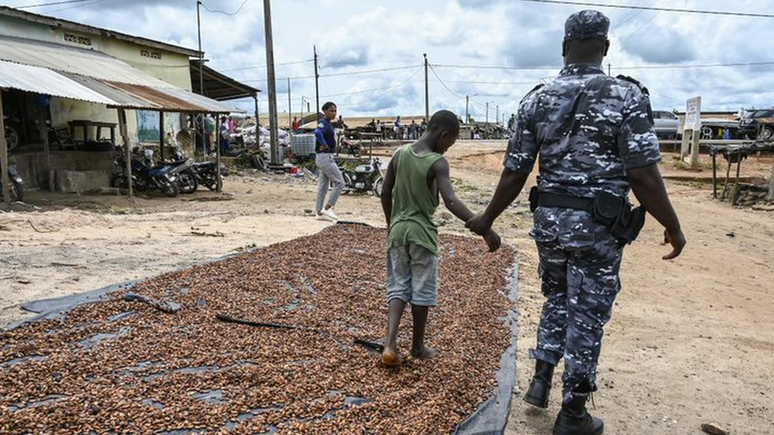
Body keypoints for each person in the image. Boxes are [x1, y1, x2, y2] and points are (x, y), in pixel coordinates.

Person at [466, 10, 686, 435]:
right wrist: (672, 225)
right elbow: (642, 172)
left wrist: (487, 216)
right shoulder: (626, 97)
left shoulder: (537, 98)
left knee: (557, 296)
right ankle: (573, 413)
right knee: (586, 314)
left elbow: (514, 171)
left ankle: (541, 378)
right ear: (604, 48)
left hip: (549, 223)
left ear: (564, 47)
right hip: (596, 228)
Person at [379, 109, 501, 366]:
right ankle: (417, 347)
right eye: (450, 142)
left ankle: (389, 345)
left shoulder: (399, 154)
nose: (447, 148)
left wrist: (392, 225)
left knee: (399, 286)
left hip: (398, 233)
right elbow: (452, 201)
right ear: (444, 134)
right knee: (421, 289)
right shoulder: (436, 162)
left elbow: (385, 193)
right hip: (422, 234)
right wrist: (485, 229)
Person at [314, 101, 345, 221]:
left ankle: (319, 213)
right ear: (325, 111)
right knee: (340, 182)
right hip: (325, 157)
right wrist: (324, 144)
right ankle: (328, 208)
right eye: (331, 110)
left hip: (322, 157)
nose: (334, 113)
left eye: (335, 111)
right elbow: (317, 132)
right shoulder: (323, 123)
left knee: (323, 186)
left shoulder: (328, 124)